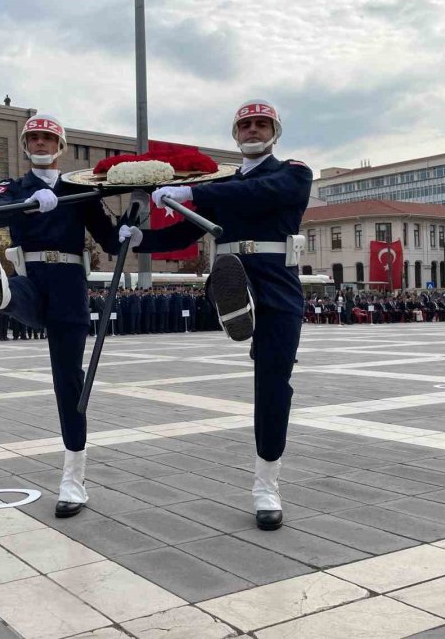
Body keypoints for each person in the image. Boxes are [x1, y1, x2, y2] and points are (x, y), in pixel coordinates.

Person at [124, 99, 312, 530]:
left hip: (278, 280)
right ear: (235, 133)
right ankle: (234, 297)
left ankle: (267, 483)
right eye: (246, 125)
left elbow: (261, 194)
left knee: (273, 378)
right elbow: (188, 228)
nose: (253, 130)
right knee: (228, 272)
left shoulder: (293, 172)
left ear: (275, 133)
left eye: (262, 124)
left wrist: (193, 192)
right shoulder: (220, 184)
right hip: (236, 269)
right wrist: (140, 240)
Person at [0, 114, 122, 519]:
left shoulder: (78, 189)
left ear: (61, 146)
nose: (40, 142)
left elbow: (106, 234)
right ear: (24, 145)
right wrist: (27, 206)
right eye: (33, 137)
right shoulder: (14, 187)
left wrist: (129, 231)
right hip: (31, 277)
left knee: (68, 382)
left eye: (47, 138)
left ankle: (74, 479)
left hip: (68, 283)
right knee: (15, 294)